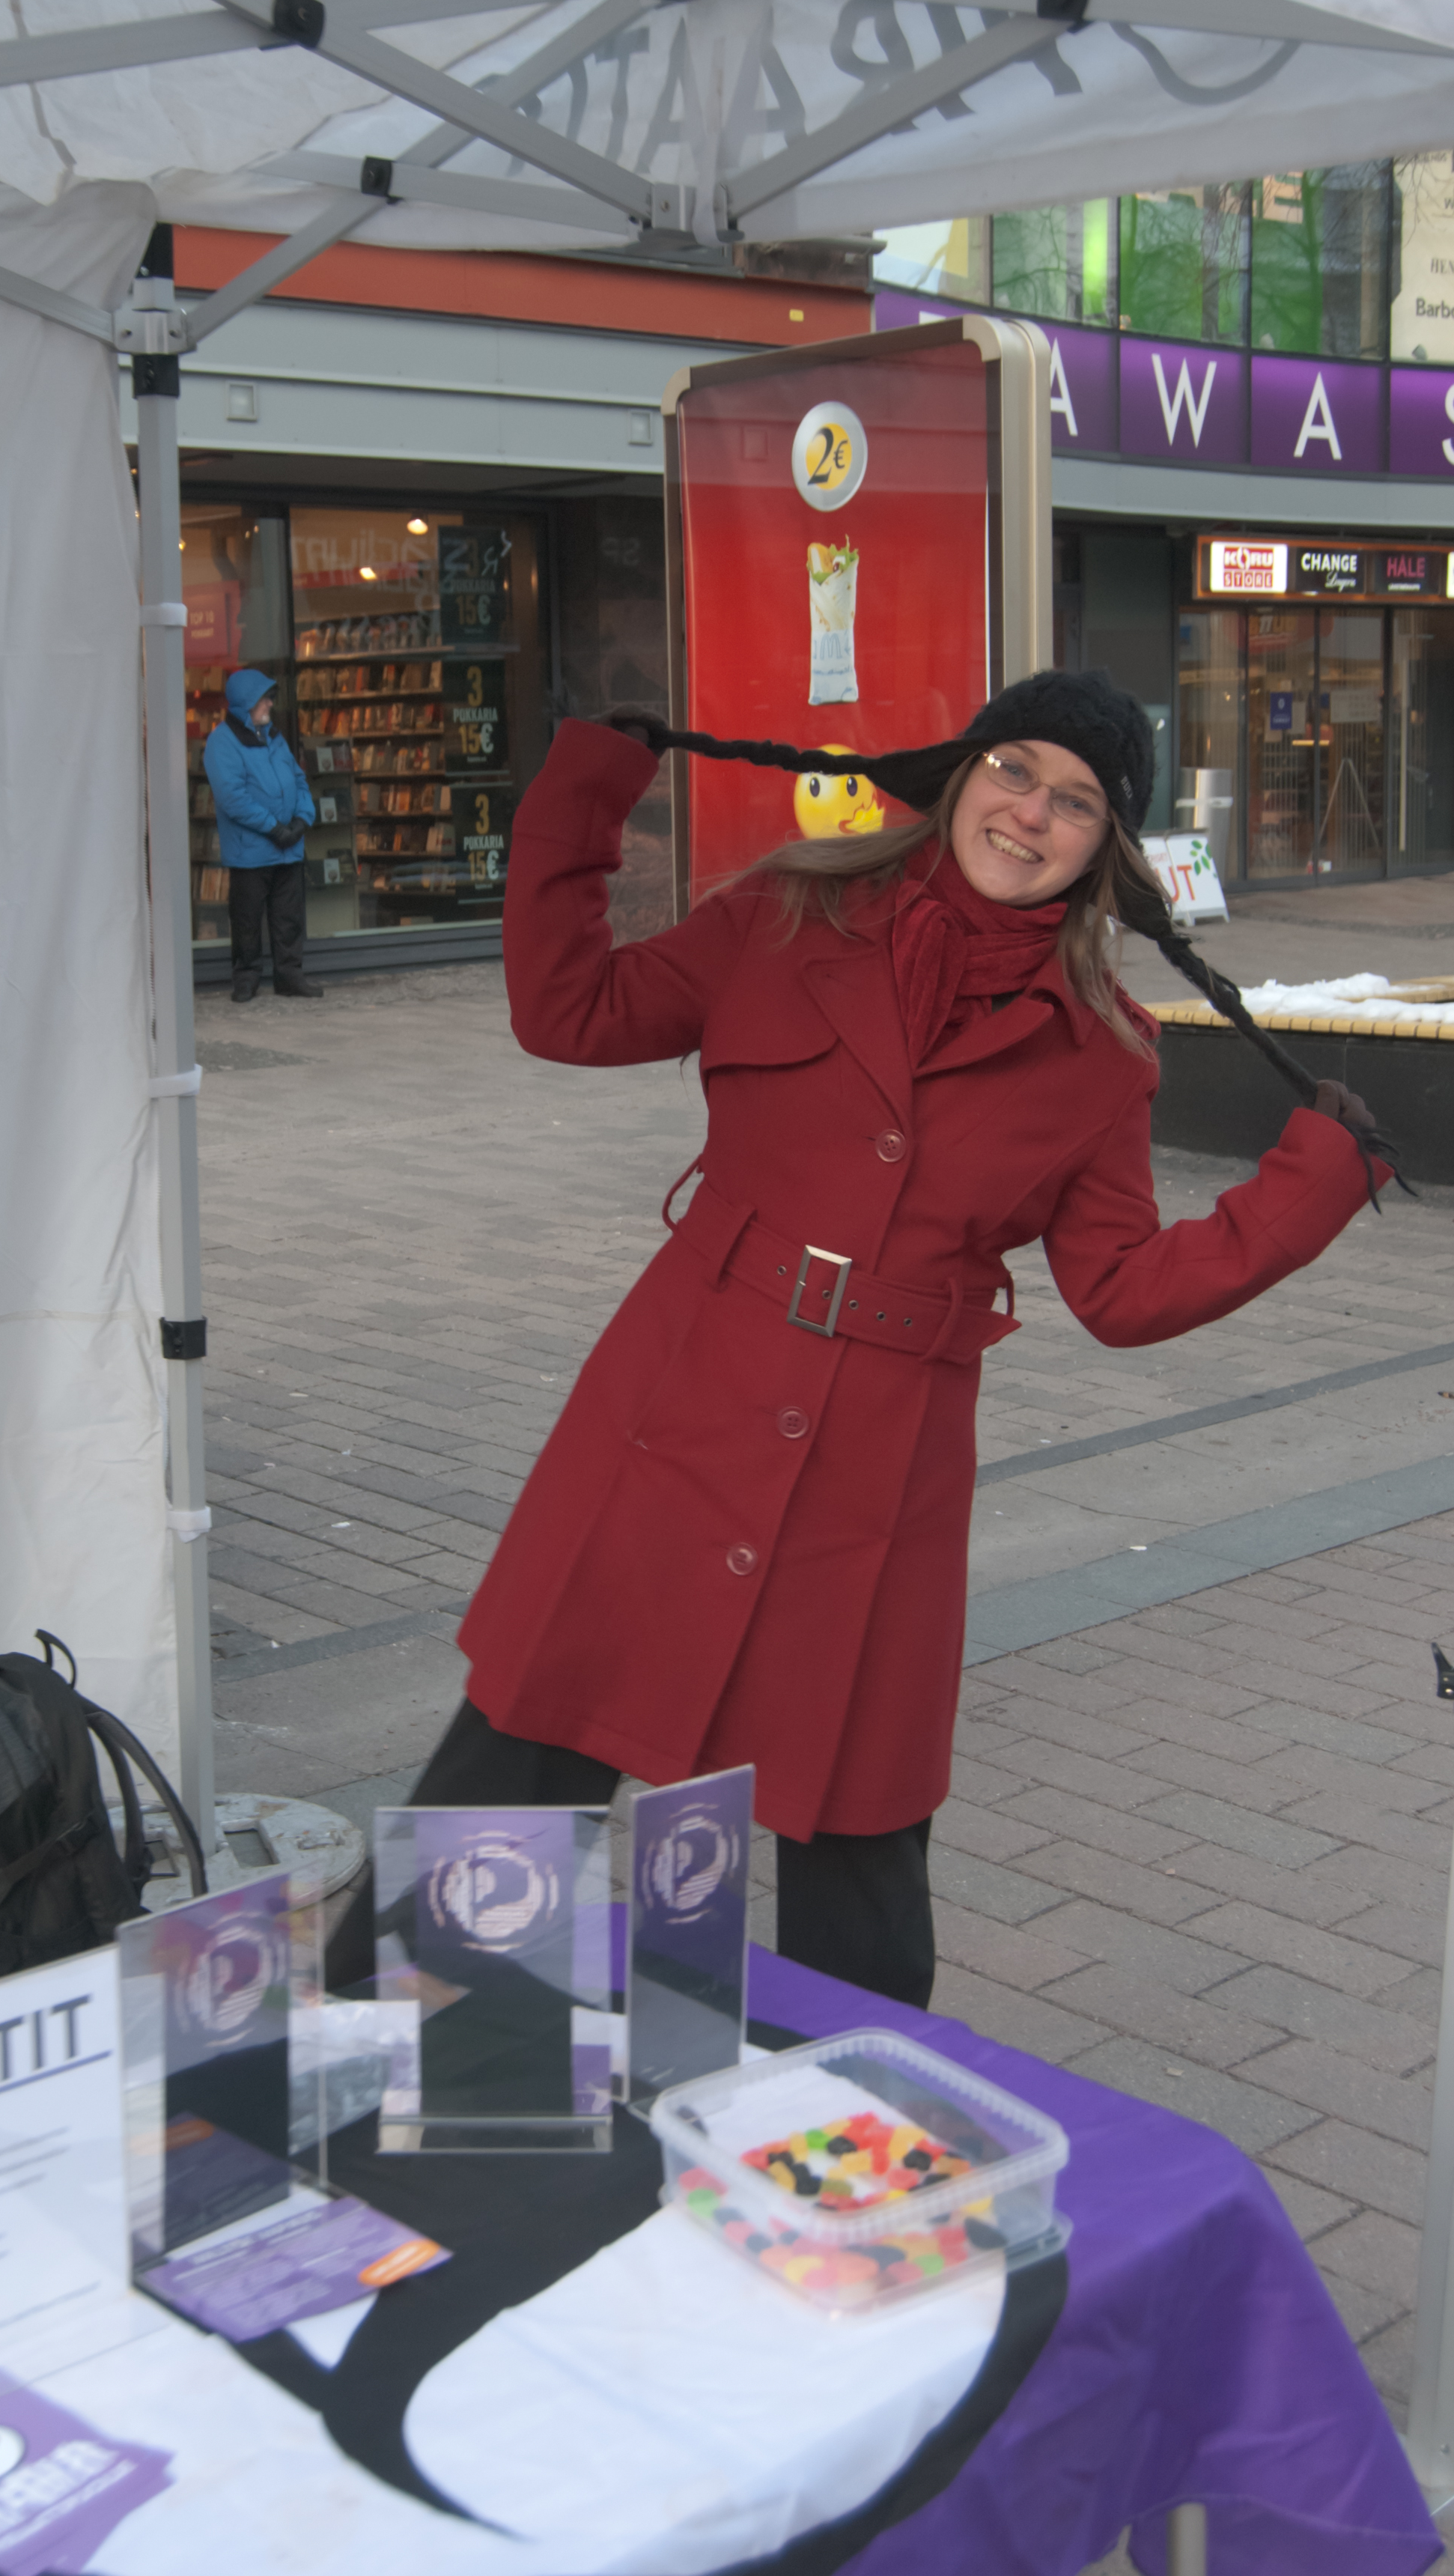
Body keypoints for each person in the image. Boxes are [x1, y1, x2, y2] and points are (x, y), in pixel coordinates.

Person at [329, 670, 1392, 2005]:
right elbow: (571, 1010)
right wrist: (588, 793)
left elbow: (1123, 1290)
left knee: (857, 1825)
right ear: (959, 776)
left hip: (880, 1474)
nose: (1031, 814)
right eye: (1014, 770)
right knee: (532, 1739)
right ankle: (365, 2045)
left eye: (1075, 803)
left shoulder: (1102, 1056)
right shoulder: (785, 915)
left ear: (1104, 849)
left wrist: (1311, 1185)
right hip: (681, 1405)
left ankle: (853, 2095)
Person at [205, 668, 323, 1002]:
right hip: (252, 852)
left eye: (270, 698)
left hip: (288, 847)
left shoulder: (274, 737)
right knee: (247, 920)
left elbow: (299, 780)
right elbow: (232, 798)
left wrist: (302, 820)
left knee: (289, 918)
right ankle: (246, 979)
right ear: (246, 703)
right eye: (263, 699)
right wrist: (274, 828)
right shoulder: (222, 742)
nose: (270, 704)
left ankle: (290, 977)